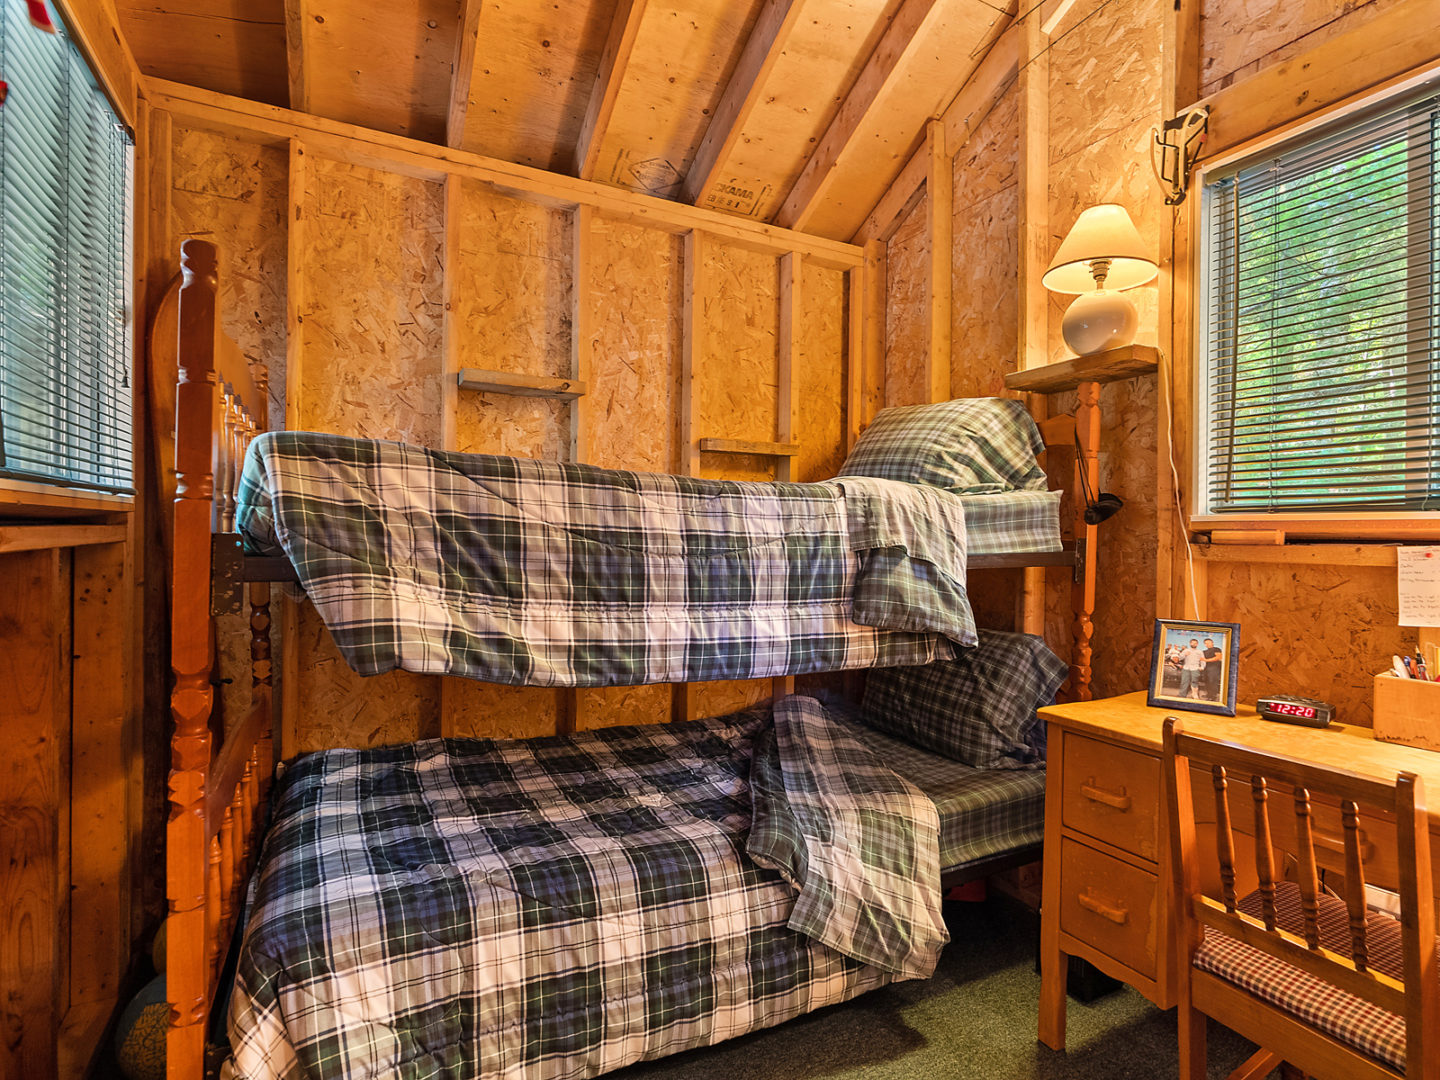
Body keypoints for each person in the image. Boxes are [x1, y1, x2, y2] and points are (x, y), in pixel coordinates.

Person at [1201, 636, 1223, 701]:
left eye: (1209, 642)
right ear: (1204, 644)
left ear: (1212, 643)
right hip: (1206, 668)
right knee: (1207, 681)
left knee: (1213, 682)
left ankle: (1213, 696)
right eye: (1206, 643)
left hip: (1214, 668)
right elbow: (1200, 659)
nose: (1207, 644)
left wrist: (1206, 660)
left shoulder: (1216, 649)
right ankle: (1209, 694)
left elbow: (1218, 657)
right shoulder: (1204, 651)